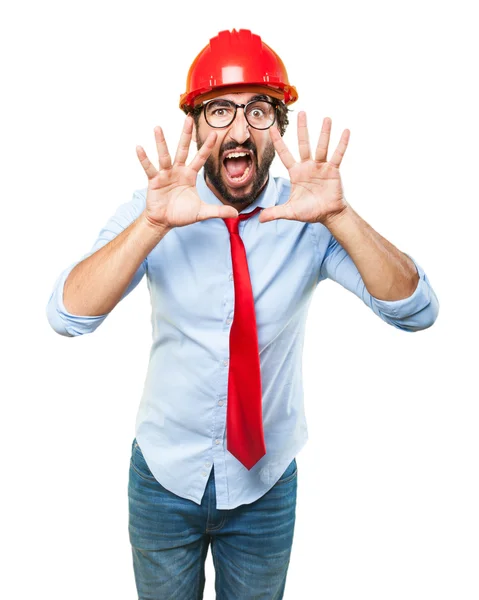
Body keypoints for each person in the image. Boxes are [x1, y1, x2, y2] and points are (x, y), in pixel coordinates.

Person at [46, 28, 439, 600]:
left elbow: (417, 310)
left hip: (265, 488)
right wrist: (151, 226)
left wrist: (340, 216)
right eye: (219, 110)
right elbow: (67, 315)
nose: (236, 128)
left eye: (258, 110)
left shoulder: (309, 217)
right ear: (196, 125)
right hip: (162, 478)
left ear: (278, 127)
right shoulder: (152, 211)